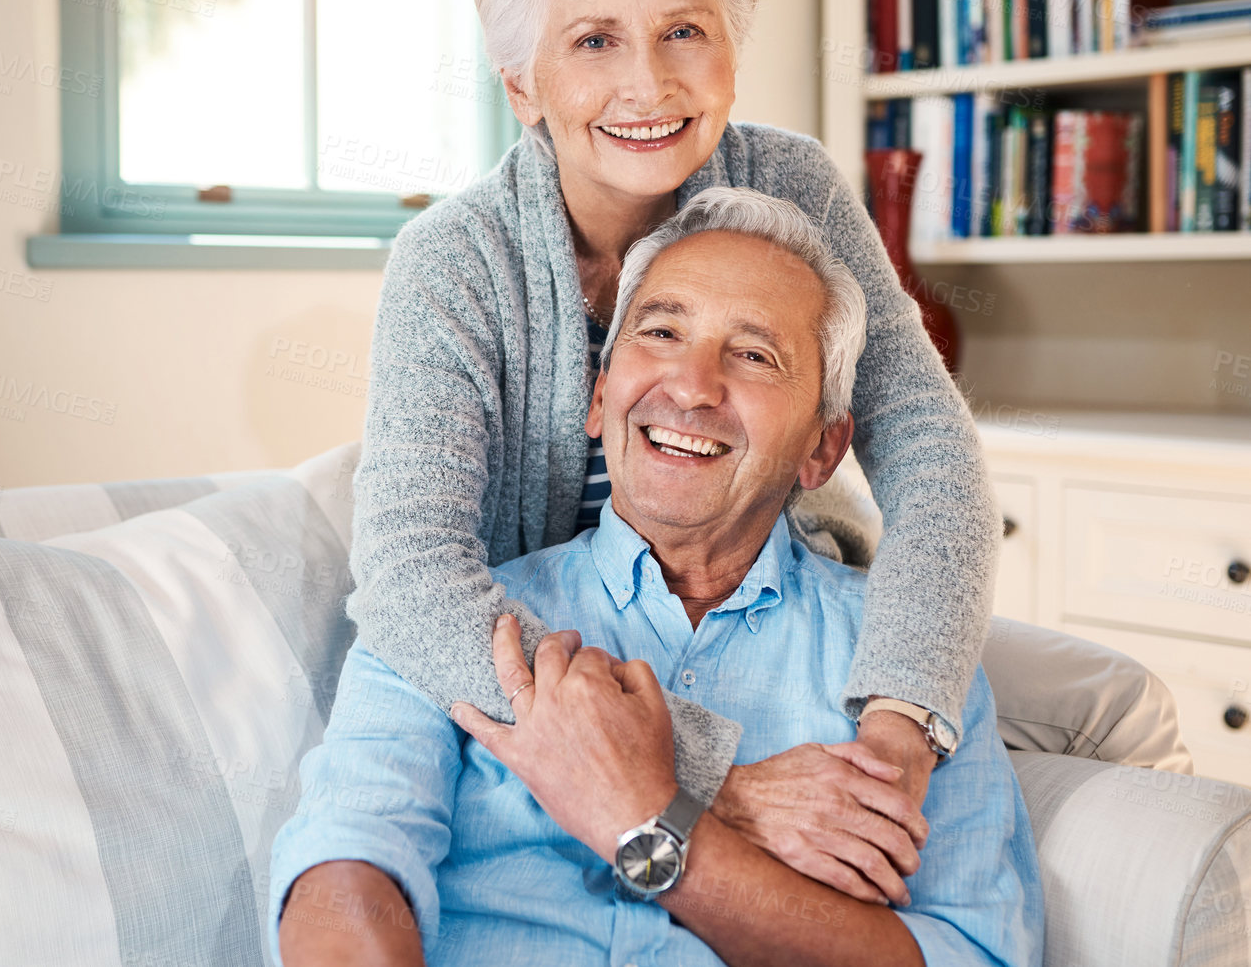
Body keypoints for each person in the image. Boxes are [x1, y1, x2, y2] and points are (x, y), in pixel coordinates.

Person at [347, 0, 1000, 881]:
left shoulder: (789, 184)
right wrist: (700, 777)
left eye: (682, 31)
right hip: (551, 647)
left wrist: (896, 731)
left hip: (770, 618)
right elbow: (408, 576)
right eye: (593, 40)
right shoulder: (453, 262)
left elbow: (929, 450)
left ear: (731, 50)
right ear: (522, 83)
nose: (647, 85)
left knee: (1081, 695)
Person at [274, 188, 1042, 967]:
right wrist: (715, 804)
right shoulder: (449, 622)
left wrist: (646, 818)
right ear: (599, 397)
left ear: (823, 448)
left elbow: (966, 952)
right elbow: (343, 878)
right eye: (662, 331)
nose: (691, 385)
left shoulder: (905, 677)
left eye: (753, 355)